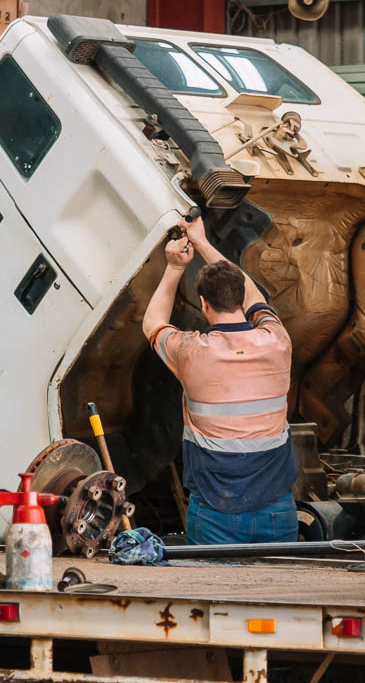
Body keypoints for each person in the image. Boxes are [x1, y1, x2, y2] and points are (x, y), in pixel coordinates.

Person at [142, 215, 298, 544]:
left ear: (203, 304)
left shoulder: (191, 352)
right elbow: (254, 293)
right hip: (278, 510)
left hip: (214, 511)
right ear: (241, 299)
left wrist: (174, 267)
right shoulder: (277, 342)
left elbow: (153, 323)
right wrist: (203, 243)